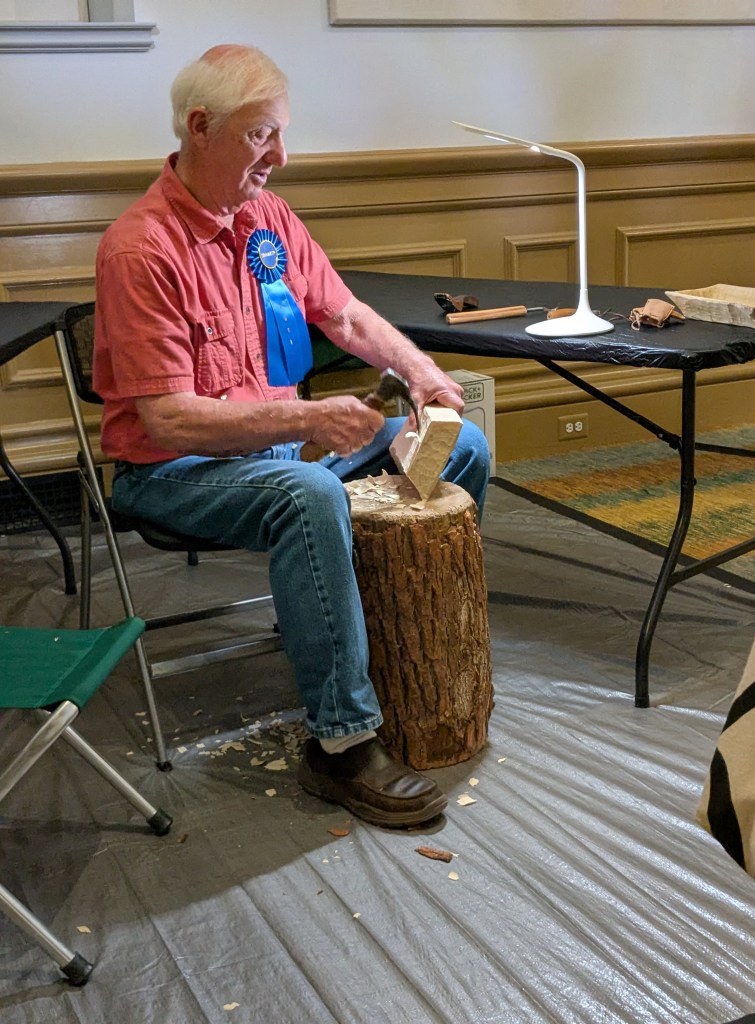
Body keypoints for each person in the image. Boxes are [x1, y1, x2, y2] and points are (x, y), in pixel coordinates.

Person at [93, 43, 490, 829]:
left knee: (463, 445)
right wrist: (309, 418)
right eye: (261, 135)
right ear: (199, 128)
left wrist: (420, 375)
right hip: (176, 468)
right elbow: (168, 419)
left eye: (280, 134)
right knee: (309, 491)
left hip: (274, 447)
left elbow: (342, 315)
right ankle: (340, 744)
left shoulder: (266, 218)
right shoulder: (140, 248)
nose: (281, 155)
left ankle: (398, 649)